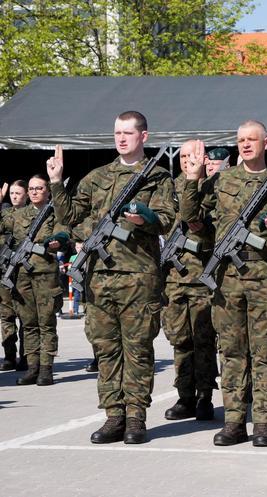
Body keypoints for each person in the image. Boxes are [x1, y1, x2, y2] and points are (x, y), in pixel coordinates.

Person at [47, 110, 176, 444]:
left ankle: (135, 418)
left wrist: (143, 218)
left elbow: (166, 220)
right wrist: (57, 182)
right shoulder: (98, 176)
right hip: (100, 278)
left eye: (128, 133)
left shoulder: (157, 177)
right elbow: (71, 217)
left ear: (143, 137)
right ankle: (113, 416)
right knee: (105, 349)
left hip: (139, 276)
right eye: (117, 132)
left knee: (137, 349)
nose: (121, 138)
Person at [180, 120, 267, 448]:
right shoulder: (222, 180)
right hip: (227, 278)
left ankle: (262, 421)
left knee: (263, 352)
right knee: (231, 352)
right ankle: (234, 420)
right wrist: (192, 179)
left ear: (266, 141)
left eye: (251, 139)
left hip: (265, 276)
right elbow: (192, 220)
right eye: (240, 140)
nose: (246, 144)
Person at [162, 139, 218, 422]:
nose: (187, 160)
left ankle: (205, 396)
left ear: (204, 158)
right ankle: (185, 395)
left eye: (192, 155)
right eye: (183, 156)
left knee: (203, 341)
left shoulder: (214, 188)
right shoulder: (169, 189)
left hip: (201, 278)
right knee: (180, 340)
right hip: (174, 278)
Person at [2, 175, 69, 386]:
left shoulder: (54, 214)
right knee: (29, 324)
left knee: (46, 323)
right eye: (31, 188)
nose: (34, 192)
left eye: (39, 188)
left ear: (47, 191)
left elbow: (65, 232)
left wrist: (58, 242)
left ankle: (46, 368)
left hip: (46, 276)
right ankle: (32, 367)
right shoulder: (17, 215)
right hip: (21, 276)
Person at [0, 180, 28, 371]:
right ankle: (9, 356)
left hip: (25, 272)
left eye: (18, 193)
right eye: (12, 193)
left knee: (26, 318)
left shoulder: (34, 214)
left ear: (26, 194)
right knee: (6, 316)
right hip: (4, 271)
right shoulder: (4, 214)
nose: (14, 196)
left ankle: (25, 356)